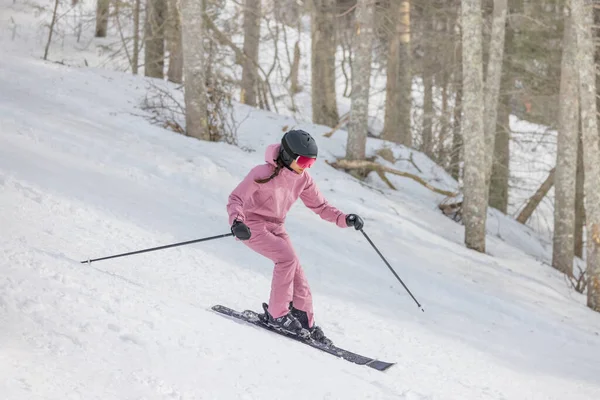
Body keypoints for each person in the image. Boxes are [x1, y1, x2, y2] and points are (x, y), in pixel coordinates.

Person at [226, 129, 364, 344]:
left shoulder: (303, 179)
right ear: (289, 156)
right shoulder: (261, 173)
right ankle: (278, 314)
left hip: (276, 227)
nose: (306, 167)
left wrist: (345, 219)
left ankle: (302, 318)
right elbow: (236, 198)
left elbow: (321, 206)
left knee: (297, 271)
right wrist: (237, 221)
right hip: (251, 226)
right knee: (286, 259)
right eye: (304, 161)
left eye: (311, 163)